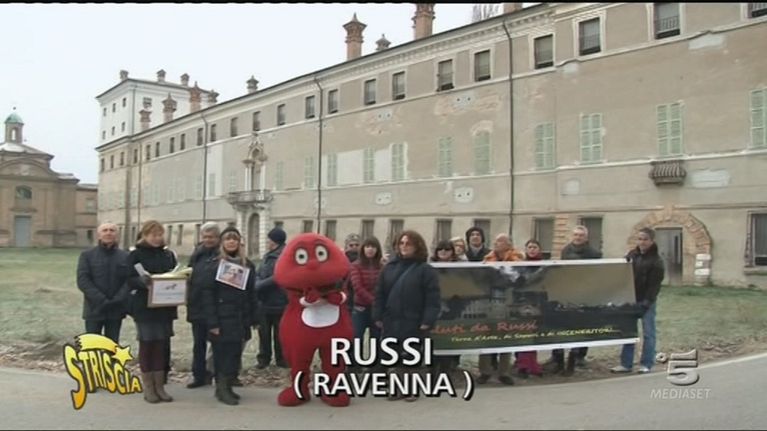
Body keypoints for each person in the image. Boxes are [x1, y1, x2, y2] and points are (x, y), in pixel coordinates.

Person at [373, 230, 441, 402]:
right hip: (392, 318)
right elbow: (380, 294)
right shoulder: (389, 268)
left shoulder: (425, 270)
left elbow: (432, 298)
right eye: (401, 243)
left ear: (417, 246)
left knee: (411, 355)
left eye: (408, 244)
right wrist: (378, 316)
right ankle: (397, 388)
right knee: (394, 354)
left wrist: (427, 320)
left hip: (414, 319)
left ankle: (412, 389)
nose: (404, 247)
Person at [202, 226, 257, 405]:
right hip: (221, 317)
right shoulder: (214, 265)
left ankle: (228, 385)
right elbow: (207, 294)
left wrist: (254, 318)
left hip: (240, 317)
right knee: (221, 354)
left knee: (234, 354)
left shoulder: (247, 265)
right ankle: (221, 388)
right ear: (222, 243)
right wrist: (212, 322)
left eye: (235, 239)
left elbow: (251, 293)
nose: (231, 242)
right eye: (228, 239)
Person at [126, 221, 178, 404]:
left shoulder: (168, 254)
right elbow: (128, 279)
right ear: (144, 235)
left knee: (161, 345)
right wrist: (143, 282)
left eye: (160, 234)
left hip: (165, 306)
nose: (157, 238)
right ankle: (148, 387)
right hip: (144, 307)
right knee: (147, 344)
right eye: (153, 235)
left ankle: (160, 386)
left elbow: (174, 273)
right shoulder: (135, 255)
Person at [549, 225, 603, 376]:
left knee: (583, 323)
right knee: (562, 322)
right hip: (568, 290)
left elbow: (596, 273)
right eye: (575, 235)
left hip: (586, 291)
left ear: (586, 237)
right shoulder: (565, 250)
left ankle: (580, 356)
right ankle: (557, 357)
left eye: (581, 235)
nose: (578, 238)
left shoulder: (594, 253)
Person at [611, 227, 665, 374]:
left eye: (645, 239)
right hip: (631, 299)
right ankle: (626, 364)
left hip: (646, 301)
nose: (642, 242)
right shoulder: (633, 255)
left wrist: (647, 302)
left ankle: (646, 364)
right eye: (640, 239)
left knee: (648, 333)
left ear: (651, 241)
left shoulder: (657, 261)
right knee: (629, 332)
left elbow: (655, 286)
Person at [477, 233, 524, 386]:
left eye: (500, 241)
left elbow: (518, 278)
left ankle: (504, 372)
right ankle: (485, 371)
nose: (496, 243)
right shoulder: (488, 259)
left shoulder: (517, 258)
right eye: (496, 241)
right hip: (489, 300)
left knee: (505, 336)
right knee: (486, 335)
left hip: (509, 300)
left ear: (509, 244)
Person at [76, 222, 130, 344]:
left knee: (112, 345)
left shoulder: (125, 256)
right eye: (105, 230)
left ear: (117, 235)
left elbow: (129, 281)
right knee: (92, 346)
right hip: (94, 308)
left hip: (116, 309)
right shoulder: (87, 256)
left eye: (112, 230)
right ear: (99, 235)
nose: (108, 233)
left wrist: (117, 299)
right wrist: (101, 299)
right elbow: (83, 280)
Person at [185, 222, 220, 389]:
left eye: (211, 237)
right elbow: (189, 273)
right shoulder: (197, 254)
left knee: (217, 345)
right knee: (198, 344)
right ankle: (198, 376)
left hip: (215, 307)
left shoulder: (222, 255)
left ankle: (218, 376)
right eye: (205, 237)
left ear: (218, 238)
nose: (208, 240)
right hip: (197, 304)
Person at [348, 236, 384, 370]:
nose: (370, 249)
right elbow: (357, 287)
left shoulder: (382, 266)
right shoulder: (355, 265)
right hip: (360, 308)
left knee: (376, 338)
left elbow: (383, 286)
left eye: (373, 247)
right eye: (368, 246)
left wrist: (379, 303)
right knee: (357, 337)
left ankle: (374, 367)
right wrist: (374, 301)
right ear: (363, 249)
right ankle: (354, 366)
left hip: (377, 309)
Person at [255, 227, 288, 369]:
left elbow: (278, 277)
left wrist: (259, 285)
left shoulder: (284, 256)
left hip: (278, 301)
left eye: (268, 239)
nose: (267, 242)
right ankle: (264, 359)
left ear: (274, 241)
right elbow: (259, 272)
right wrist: (256, 281)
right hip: (264, 301)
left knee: (279, 334)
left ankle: (282, 359)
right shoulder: (267, 255)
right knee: (264, 333)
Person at [513, 239, 545, 378]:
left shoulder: (544, 266)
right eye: (529, 247)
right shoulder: (521, 266)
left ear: (539, 249)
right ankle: (523, 365)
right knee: (524, 334)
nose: (532, 249)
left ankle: (533, 364)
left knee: (534, 335)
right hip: (524, 303)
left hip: (539, 303)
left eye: (534, 247)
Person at [429, 239, 461, 375]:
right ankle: (432, 371)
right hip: (433, 307)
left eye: (447, 249)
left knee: (448, 341)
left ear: (452, 252)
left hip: (451, 308)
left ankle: (445, 371)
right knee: (433, 341)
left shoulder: (459, 269)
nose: (443, 252)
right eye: (440, 249)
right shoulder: (429, 268)